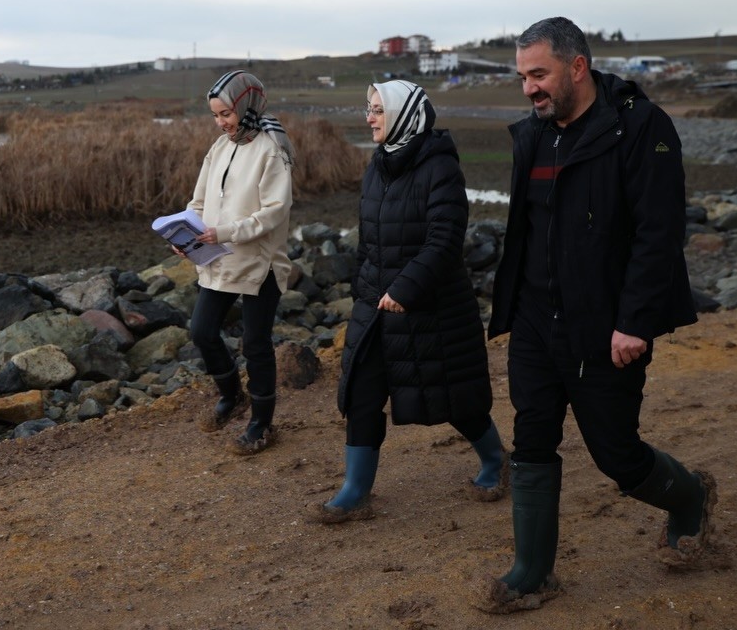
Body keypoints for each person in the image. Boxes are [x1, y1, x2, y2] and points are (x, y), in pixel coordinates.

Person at [475, 17, 716, 613]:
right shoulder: (535, 135)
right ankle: (532, 572)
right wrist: (512, 309)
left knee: (616, 454)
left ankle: (689, 498)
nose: (528, 89)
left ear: (577, 67)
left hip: (605, 325)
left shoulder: (641, 127)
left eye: (539, 74)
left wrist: (635, 321)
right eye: (522, 77)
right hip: (536, 320)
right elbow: (528, 230)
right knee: (531, 438)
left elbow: (658, 235)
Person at [311, 80, 506, 524]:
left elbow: (445, 240)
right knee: (361, 393)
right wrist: (362, 289)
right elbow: (368, 239)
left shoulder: (440, 168)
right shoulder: (377, 164)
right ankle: (355, 491)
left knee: (453, 399)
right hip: (375, 306)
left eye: (378, 109)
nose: (369, 117)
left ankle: (496, 461)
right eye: (368, 108)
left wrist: (405, 288)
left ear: (403, 114)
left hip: (430, 307)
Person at [182, 69, 294, 455]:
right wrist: (186, 235)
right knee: (202, 331)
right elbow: (199, 202)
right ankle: (232, 396)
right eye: (215, 115)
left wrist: (225, 232)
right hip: (219, 258)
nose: (221, 122)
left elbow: (274, 213)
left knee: (256, 344)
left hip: (261, 263)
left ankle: (261, 423)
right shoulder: (220, 147)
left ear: (247, 106)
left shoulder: (272, 149)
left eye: (226, 114)